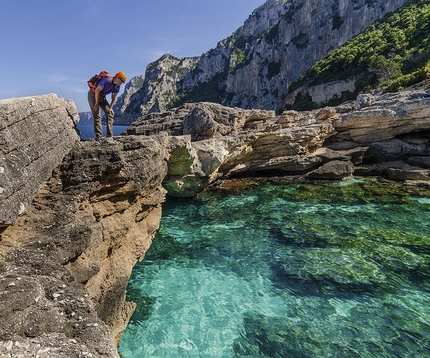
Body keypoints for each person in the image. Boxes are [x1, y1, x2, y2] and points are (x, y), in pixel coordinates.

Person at [87, 71, 127, 139]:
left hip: (102, 97)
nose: (122, 83)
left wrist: (110, 108)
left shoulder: (117, 86)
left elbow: (114, 97)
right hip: (93, 95)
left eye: (123, 82)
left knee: (110, 114)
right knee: (97, 115)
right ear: (117, 77)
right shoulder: (107, 80)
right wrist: (96, 103)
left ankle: (109, 135)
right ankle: (98, 136)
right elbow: (97, 90)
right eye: (122, 80)